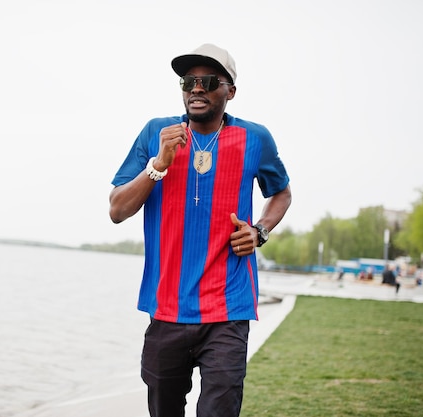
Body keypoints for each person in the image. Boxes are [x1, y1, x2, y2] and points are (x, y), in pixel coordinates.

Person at [109, 44, 292, 417]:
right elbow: (117, 209)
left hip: (228, 306)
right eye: (188, 81)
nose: (197, 88)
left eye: (208, 81)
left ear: (230, 91)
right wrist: (158, 164)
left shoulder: (255, 139)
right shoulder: (155, 133)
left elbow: (281, 193)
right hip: (166, 308)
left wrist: (260, 231)